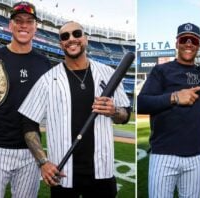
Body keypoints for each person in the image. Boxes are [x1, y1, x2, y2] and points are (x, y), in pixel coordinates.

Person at [18, 21, 131, 198]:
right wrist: (43, 162)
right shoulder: (47, 80)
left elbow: (124, 116)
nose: (71, 39)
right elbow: (28, 123)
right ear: (61, 44)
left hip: (102, 172)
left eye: (76, 34)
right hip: (63, 174)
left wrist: (114, 110)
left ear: (86, 39)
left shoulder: (108, 73)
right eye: (65, 36)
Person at [138, 23, 200, 198]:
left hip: (195, 155)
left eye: (193, 40)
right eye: (183, 39)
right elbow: (141, 103)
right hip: (164, 154)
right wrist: (175, 97)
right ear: (176, 43)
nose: (188, 43)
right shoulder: (161, 70)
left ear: (198, 45)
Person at [0, 1, 51, 198]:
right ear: (10, 25)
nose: (24, 25)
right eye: (18, 20)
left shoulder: (44, 63)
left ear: (35, 27)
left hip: (30, 152)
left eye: (29, 21)